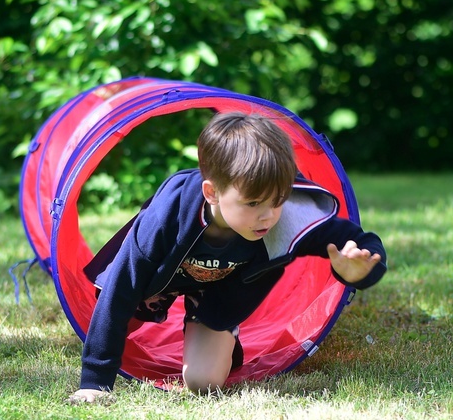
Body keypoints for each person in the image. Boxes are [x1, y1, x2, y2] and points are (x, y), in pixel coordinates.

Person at [70, 112, 387, 402]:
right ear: (212, 193)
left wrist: (359, 271)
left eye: (277, 200)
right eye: (252, 204)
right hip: (160, 277)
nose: (267, 216)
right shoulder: (169, 214)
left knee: (203, 381)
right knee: (108, 321)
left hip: (223, 289)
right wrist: (95, 380)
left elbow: (361, 241)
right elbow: (122, 288)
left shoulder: (285, 217)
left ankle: (219, 330)